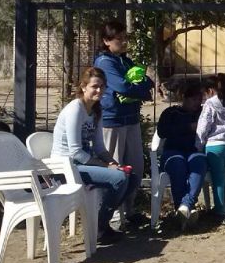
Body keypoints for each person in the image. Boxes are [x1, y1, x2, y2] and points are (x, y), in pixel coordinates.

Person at [51, 67, 133, 244]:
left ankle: (100, 224)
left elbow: (100, 148)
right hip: (66, 167)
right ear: (83, 87)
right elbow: (75, 151)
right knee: (118, 179)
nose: (99, 90)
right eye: (95, 86)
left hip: (82, 165)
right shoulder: (76, 109)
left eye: (102, 86)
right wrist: (105, 167)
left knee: (129, 177)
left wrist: (113, 163)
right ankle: (99, 228)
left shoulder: (96, 110)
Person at [94, 20, 153, 226]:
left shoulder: (124, 61)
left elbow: (147, 81)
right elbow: (123, 86)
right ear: (106, 41)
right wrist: (140, 89)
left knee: (135, 166)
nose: (123, 42)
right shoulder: (105, 62)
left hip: (131, 120)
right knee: (116, 167)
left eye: (124, 38)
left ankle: (129, 211)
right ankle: (112, 218)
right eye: (118, 39)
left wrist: (141, 87)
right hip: (113, 121)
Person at [156, 83, 208, 230]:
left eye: (199, 100)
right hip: (173, 151)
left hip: (194, 151)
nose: (197, 103)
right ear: (184, 99)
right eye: (193, 99)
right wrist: (188, 127)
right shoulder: (171, 113)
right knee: (178, 164)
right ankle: (185, 208)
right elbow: (162, 132)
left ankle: (184, 206)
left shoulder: (203, 113)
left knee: (199, 162)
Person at [196, 74, 225, 225]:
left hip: (214, 146)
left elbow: (203, 127)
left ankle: (220, 211)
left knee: (218, 180)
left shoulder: (210, 103)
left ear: (210, 90)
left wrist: (198, 146)